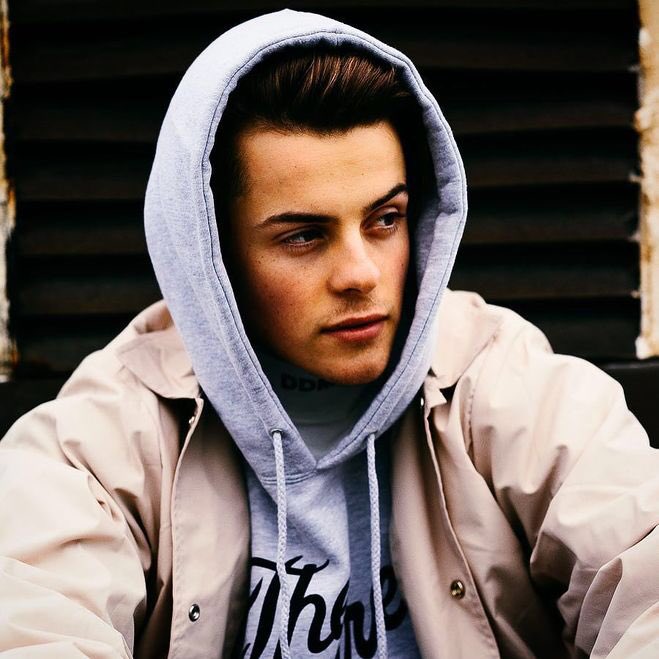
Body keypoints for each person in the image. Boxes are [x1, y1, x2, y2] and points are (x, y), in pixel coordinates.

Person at [1, 8, 659, 659]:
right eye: (303, 236)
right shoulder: (102, 439)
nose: (360, 274)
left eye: (384, 219)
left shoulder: (509, 386)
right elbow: (33, 619)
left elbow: (641, 569)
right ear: (215, 258)